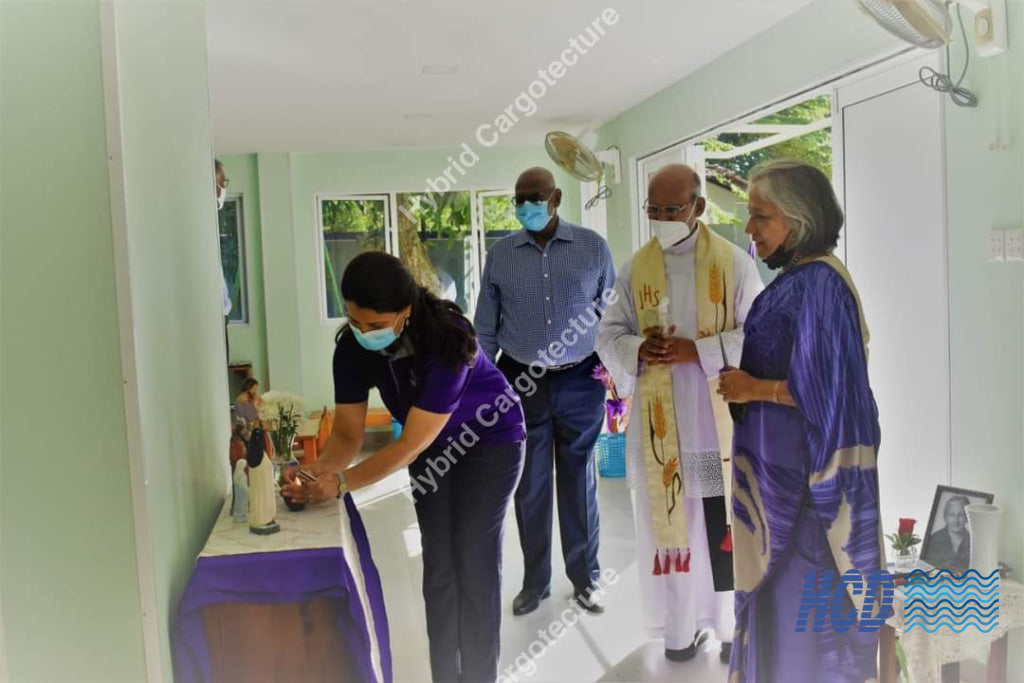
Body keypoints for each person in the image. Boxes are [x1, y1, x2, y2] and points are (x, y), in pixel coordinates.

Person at [282, 251, 525, 683]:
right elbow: (346, 436)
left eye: (374, 325)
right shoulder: (352, 351)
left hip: (489, 442)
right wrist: (313, 473)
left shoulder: (450, 338)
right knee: (439, 569)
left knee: (474, 560)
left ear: (406, 310)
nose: (361, 333)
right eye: (353, 321)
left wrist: (340, 484)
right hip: (432, 449)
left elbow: (411, 444)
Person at [717, 160, 884, 681]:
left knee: (804, 642)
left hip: (805, 504)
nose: (750, 230)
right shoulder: (800, 279)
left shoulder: (820, 285)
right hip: (777, 493)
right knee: (781, 633)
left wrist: (753, 389)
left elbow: (832, 393)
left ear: (799, 219)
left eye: (761, 217)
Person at [596, 164, 762, 663]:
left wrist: (700, 351)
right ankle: (679, 633)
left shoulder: (734, 265)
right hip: (660, 434)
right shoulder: (634, 268)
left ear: (698, 207)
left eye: (672, 209)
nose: (662, 218)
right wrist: (638, 350)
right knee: (670, 531)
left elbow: (757, 335)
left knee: (717, 527)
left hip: (713, 432)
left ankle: (729, 627)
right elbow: (607, 334)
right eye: (654, 209)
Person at [473, 167, 616, 616]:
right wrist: (481, 385)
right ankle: (535, 583)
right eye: (518, 200)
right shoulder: (500, 255)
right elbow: (485, 326)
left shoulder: (592, 247)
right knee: (529, 485)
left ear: (555, 197)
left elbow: (611, 315)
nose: (524, 207)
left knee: (579, 482)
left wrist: (616, 376)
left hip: (580, 378)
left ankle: (586, 579)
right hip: (520, 381)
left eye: (533, 198)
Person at [215, 159, 233, 359]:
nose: (222, 192)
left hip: (220, 317)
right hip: (212, 319)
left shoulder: (211, 223)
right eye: (222, 184)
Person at [926, 495, 971, 569]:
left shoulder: (973, 542)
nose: (956, 521)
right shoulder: (933, 540)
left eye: (961, 515)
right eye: (952, 515)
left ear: (967, 518)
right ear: (945, 517)